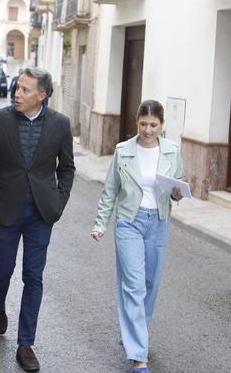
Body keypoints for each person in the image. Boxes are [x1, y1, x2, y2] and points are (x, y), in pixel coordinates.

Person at [0, 67, 75, 372]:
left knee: (33, 276)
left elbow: (67, 169)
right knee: (2, 270)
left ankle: (26, 343)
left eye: (25, 90)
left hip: (41, 214)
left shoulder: (60, 124)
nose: (17, 94)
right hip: (6, 209)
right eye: (17, 88)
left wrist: (58, 203)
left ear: (42, 96)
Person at [90, 100, 184, 373]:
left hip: (159, 222)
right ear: (137, 122)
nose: (147, 130)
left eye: (153, 125)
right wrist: (100, 224)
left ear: (162, 125)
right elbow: (110, 190)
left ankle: (133, 331)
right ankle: (139, 356)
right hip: (129, 222)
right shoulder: (123, 151)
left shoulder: (171, 152)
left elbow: (176, 185)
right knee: (133, 285)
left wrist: (176, 194)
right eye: (143, 124)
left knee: (150, 283)